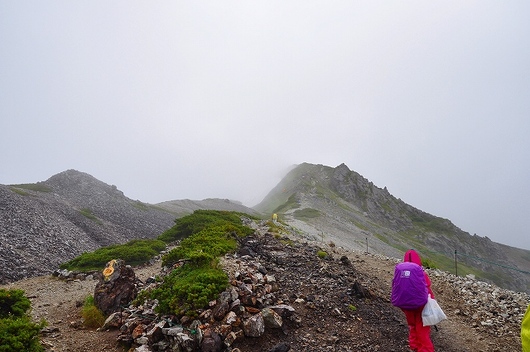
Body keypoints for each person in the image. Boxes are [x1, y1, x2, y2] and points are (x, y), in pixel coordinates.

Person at [400, 249, 435, 352]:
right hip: (421, 306)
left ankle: (414, 346)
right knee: (422, 330)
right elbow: (427, 288)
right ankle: (425, 350)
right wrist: (432, 301)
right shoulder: (421, 273)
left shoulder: (401, 273)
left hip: (406, 305)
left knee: (412, 326)